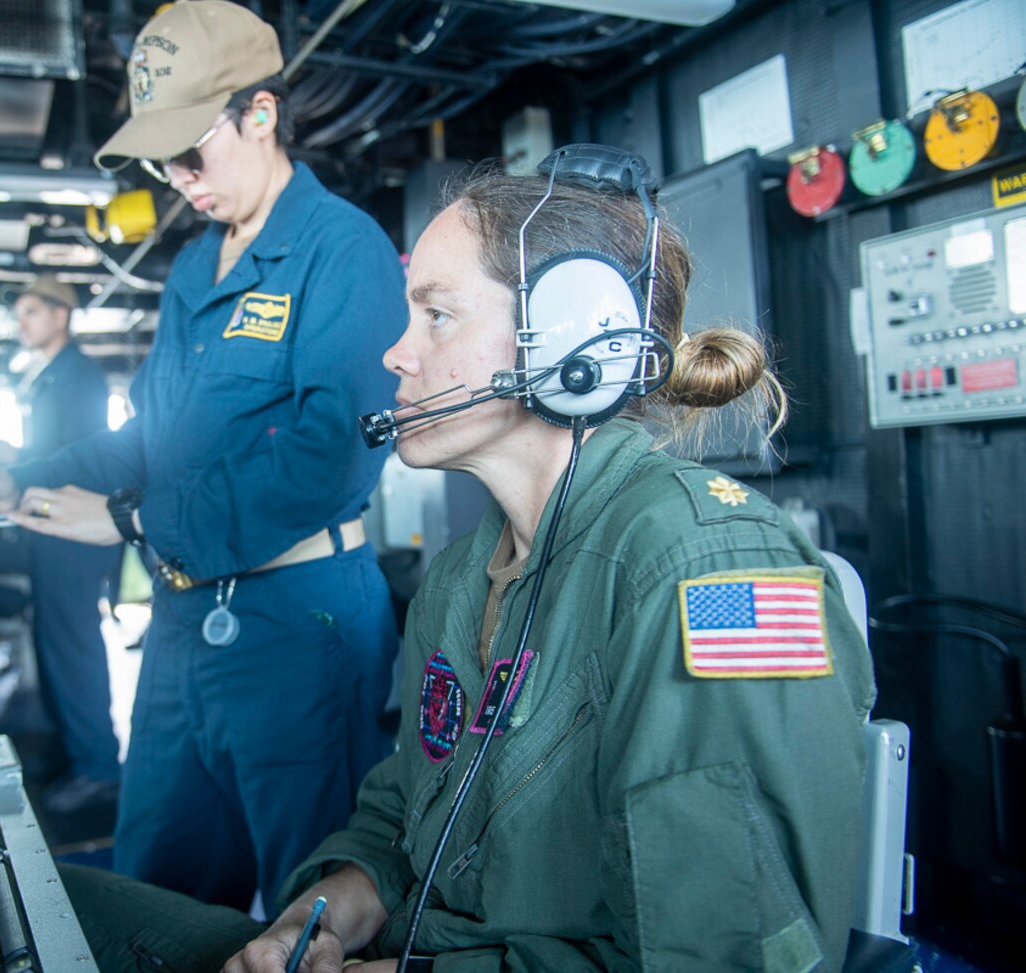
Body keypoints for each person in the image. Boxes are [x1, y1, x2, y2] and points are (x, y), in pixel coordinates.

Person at [50, 149, 878, 972]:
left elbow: (722, 953)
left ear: (570, 340)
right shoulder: (458, 578)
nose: (395, 354)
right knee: (64, 905)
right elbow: (401, 815)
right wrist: (314, 919)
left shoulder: (708, 568)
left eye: (436, 315)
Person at [0, 0, 405, 911]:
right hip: (183, 624)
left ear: (262, 114)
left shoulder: (341, 250)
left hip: (298, 626)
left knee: (309, 912)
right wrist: (31, 477)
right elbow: (148, 436)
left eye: (194, 152)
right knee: (155, 893)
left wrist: (130, 519)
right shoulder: (196, 269)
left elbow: (329, 462)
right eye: (164, 161)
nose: (180, 178)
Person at [0, 275, 124, 813]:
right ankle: (70, 754)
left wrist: (26, 467)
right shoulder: (51, 376)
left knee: (73, 646)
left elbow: (83, 455)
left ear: (61, 315)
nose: (20, 322)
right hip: (50, 524)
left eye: (30, 311)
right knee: (55, 645)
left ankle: (98, 766)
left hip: (72, 527)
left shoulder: (78, 376)